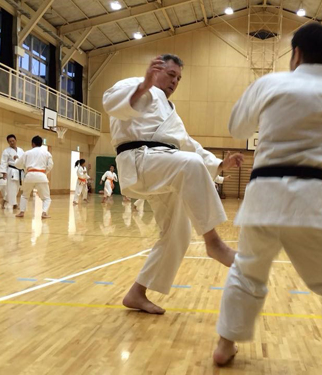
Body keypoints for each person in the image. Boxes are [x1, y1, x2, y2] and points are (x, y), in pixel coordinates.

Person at [212, 24, 322, 375]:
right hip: (315, 198)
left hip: (263, 196)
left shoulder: (270, 83)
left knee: (248, 272)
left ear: (295, 53)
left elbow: (237, 127)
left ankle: (225, 345)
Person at [102, 53, 244, 314]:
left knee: (177, 233)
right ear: (155, 70)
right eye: (171, 75)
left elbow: (188, 144)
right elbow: (111, 104)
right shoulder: (132, 84)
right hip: (140, 160)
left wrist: (221, 165)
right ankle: (214, 243)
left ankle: (137, 293)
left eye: (179, 78)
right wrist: (144, 84)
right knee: (190, 163)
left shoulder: (170, 111)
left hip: (162, 166)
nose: (175, 81)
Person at [14, 136, 54, 219]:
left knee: (25, 195)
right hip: (41, 176)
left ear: (32, 144)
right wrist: (44, 172)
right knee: (46, 198)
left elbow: (17, 164)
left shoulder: (27, 153)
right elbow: (50, 165)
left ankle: (22, 212)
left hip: (29, 176)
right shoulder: (47, 153)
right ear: (41, 144)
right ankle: (44, 212)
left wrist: (20, 163)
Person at [0, 134, 24, 209]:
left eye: (13, 141)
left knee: (17, 188)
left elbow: (24, 159)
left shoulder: (21, 150)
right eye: (10, 141)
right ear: (8, 142)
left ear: (16, 140)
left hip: (20, 171)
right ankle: (14, 204)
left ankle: (4, 200)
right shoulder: (6, 151)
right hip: (11, 170)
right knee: (12, 188)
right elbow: (3, 162)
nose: (12, 142)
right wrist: (4, 173)